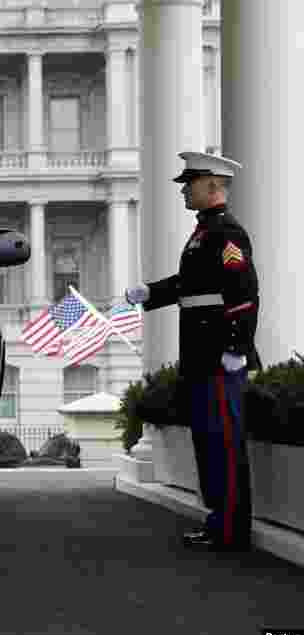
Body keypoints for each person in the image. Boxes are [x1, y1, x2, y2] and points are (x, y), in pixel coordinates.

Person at [125, 151, 259, 552]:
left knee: (224, 441)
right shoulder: (204, 232)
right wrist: (152, 292)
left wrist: (236, 347)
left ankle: (232, 530)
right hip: (201, 354)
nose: (184, 189)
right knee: (207, 439)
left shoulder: (228, 233)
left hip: (220, 356)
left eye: (191, 183)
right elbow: (190, 285)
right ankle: (218, 521)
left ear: (214, 186)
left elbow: (245, 295)